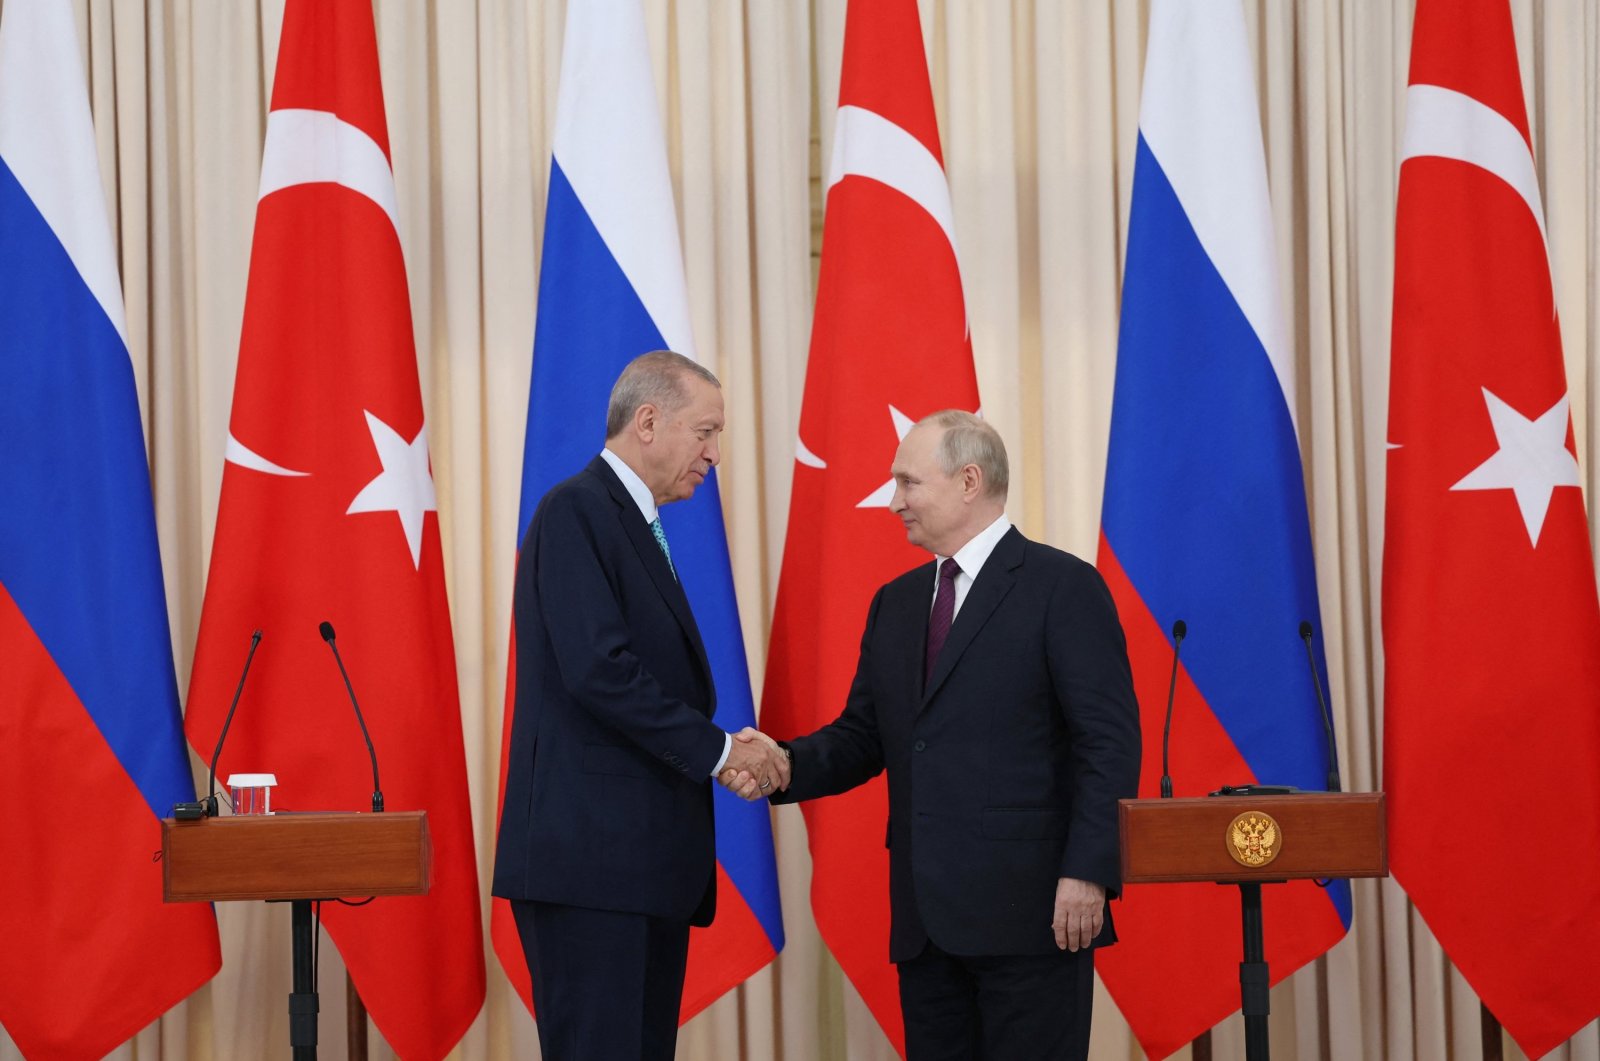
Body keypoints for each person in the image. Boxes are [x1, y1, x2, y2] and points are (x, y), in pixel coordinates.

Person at [728, 410, 1140, 1060]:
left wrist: (1088, 872)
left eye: (908, 483)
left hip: (1033, 919)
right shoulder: (897, 601)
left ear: (969, 480)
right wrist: (784, 763)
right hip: (926, 926)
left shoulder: (1062, 588)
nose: (894, 502)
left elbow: (1108, 743)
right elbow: (865, 736)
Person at [493, 350, 790, 1061]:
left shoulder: (631, 519)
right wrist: (723, 751)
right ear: (648, 421)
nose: (715, 454)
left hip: (639, 866)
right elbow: (600, 670)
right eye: (706, 431)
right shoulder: (577, 510)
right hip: (593, 867)